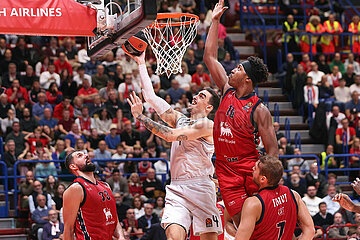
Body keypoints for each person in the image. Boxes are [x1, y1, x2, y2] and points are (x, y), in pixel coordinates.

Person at [126, 51, 223, 239]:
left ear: (209, 107)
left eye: (201, 96)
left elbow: (170, 136)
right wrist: (141, 63)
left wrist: (140, 116)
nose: (195, 96)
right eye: (197, 94)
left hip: (201, 187)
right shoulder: (180, 119)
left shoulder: (207, 125)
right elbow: (151, 97)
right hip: (177, 187)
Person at [203, 0, 278, 228]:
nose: (233, 69)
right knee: (239, 223)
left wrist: (265, 177)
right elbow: (210, 57)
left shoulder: (259, 109)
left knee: (260, 222)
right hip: (225, 170)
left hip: (249, 168)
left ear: (247, 79)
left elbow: (272, 149)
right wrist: (214, 21)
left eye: (238, 69)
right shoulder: (226, 90)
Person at [235, 156, 314, 240]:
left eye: (255, 169)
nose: (252, 169)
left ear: (263, 179)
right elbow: (310, 230)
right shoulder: (293, 194)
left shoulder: (253, 203)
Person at [62, 151, 125, 240]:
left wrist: (121, 236)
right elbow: (68, 229)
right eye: (80, 156)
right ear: (73, 166)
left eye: (85, 154)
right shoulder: (76, 188)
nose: (86, 155)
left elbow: (114, 218)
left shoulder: (106, 186)